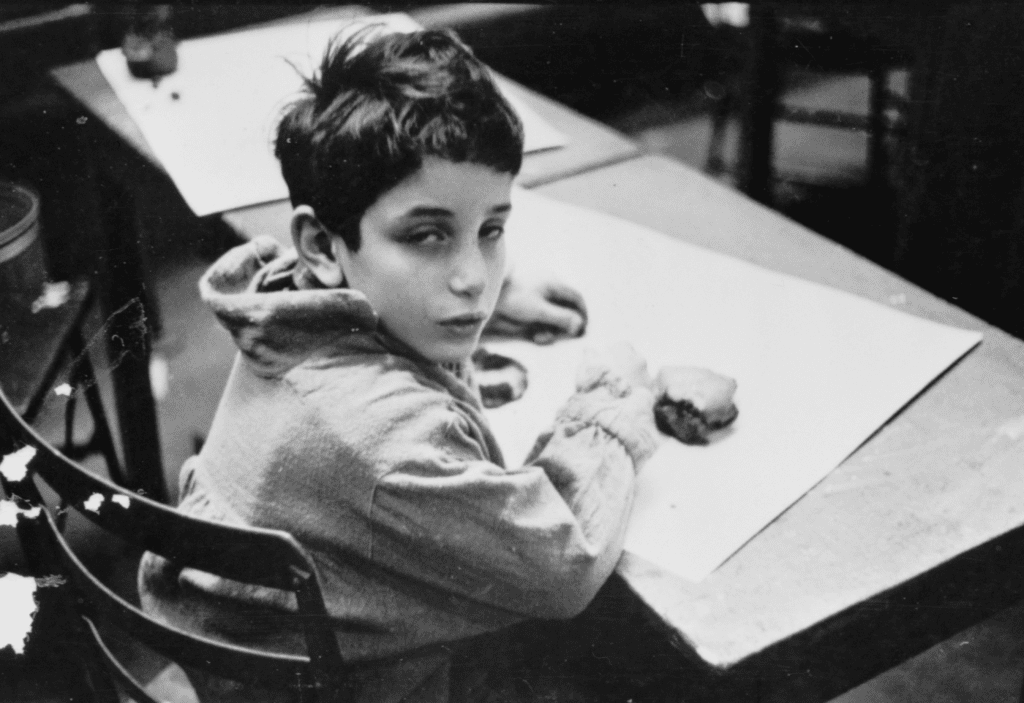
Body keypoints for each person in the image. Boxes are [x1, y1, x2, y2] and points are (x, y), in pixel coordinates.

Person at [138, 26, 660, 703]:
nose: (474, 278)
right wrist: (610, 401)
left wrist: (485, 308)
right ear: (322, 243)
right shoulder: (389, 440)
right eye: (427, 235)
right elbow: (565, 566)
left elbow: (378, 297)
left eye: (491, 230)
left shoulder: (282, 308)